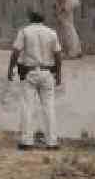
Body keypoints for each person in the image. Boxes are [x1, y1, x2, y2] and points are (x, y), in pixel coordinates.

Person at [8, 10, 63, 151]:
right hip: (47, 73)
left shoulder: (25, 32)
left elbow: (16, 52)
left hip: (29, 73)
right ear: (43, 19)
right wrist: (58, 74)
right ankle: (52, 142)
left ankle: (27, 141)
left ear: (30, 18)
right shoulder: (52, 33)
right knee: (49, 107)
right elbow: (58, 55)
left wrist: (10, 69)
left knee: (27, 107)